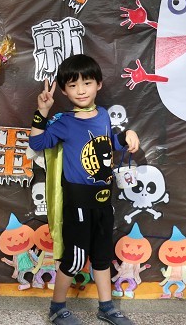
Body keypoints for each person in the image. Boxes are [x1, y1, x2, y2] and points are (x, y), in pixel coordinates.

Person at [29, 54, 140, 325]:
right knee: (74, 259)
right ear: (64, 91)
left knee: (102, 256)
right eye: (73, 85)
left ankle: (106, 307)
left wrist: (127, 135)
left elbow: (108, 144)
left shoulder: (102, 115)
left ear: (98, 84)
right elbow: (37, 143)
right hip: (77, 202)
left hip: (104, 201)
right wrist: (42, 112)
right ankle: (57, 308)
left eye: (87, 83)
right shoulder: (65, 121)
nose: (81, 90)